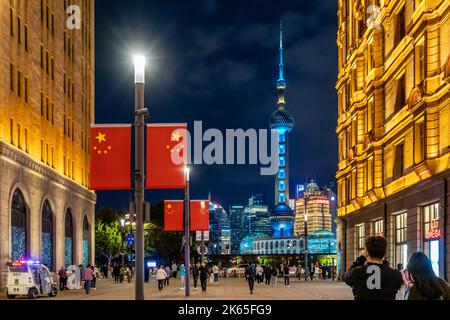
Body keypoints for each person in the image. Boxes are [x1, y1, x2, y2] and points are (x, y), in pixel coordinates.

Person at [343, 236, 403, 300]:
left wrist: (361, 258)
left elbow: (345, 276)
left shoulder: (356, 272)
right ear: (385, 254)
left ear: (366, 253)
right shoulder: (396, 275)